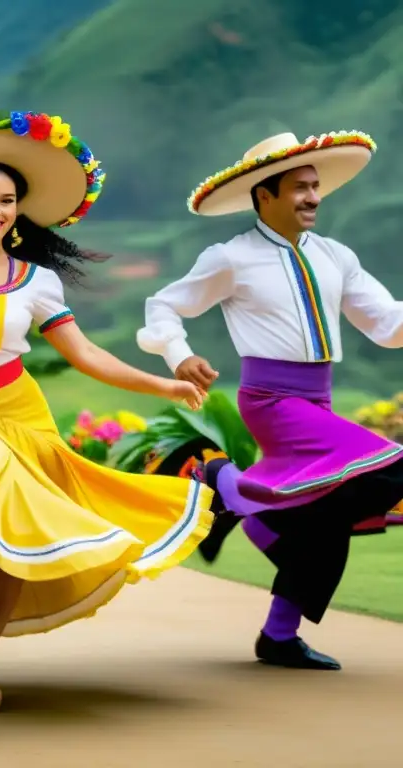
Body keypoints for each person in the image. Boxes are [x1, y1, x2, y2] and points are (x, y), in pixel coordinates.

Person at [0, 104, 215, 714]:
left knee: (18, 525)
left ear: (18, 210)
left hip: (23, 412)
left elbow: (84, 354)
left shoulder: (35, 281)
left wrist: (165, 386)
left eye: (5, 201)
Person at [138, 130, 403, 670]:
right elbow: (164, 306)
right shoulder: (230, 258)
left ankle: (279, 635)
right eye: (300, 187)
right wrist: (179, 355)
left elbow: (386, 324)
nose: (312, 197)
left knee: (325, 520)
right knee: (391, 469)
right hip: (272, 401)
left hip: (319, 402)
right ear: (265, 195)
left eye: (315, 187)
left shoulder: (336, 256)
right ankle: (228, 486)